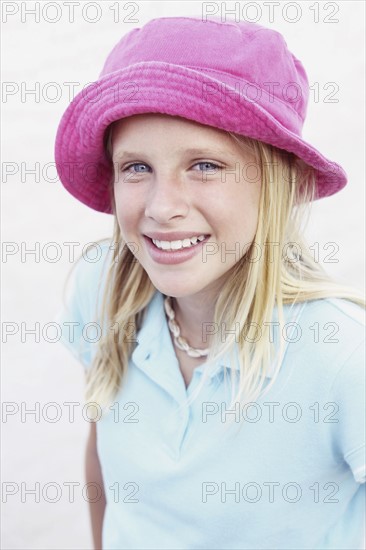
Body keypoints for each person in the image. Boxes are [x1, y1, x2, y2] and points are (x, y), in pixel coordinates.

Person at [54, 15, 365, 550]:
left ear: (277, 182)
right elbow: (106, 459)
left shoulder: (341, 356)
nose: (161, 207)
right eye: (136, 167)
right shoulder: (102, 288)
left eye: (203, 165)